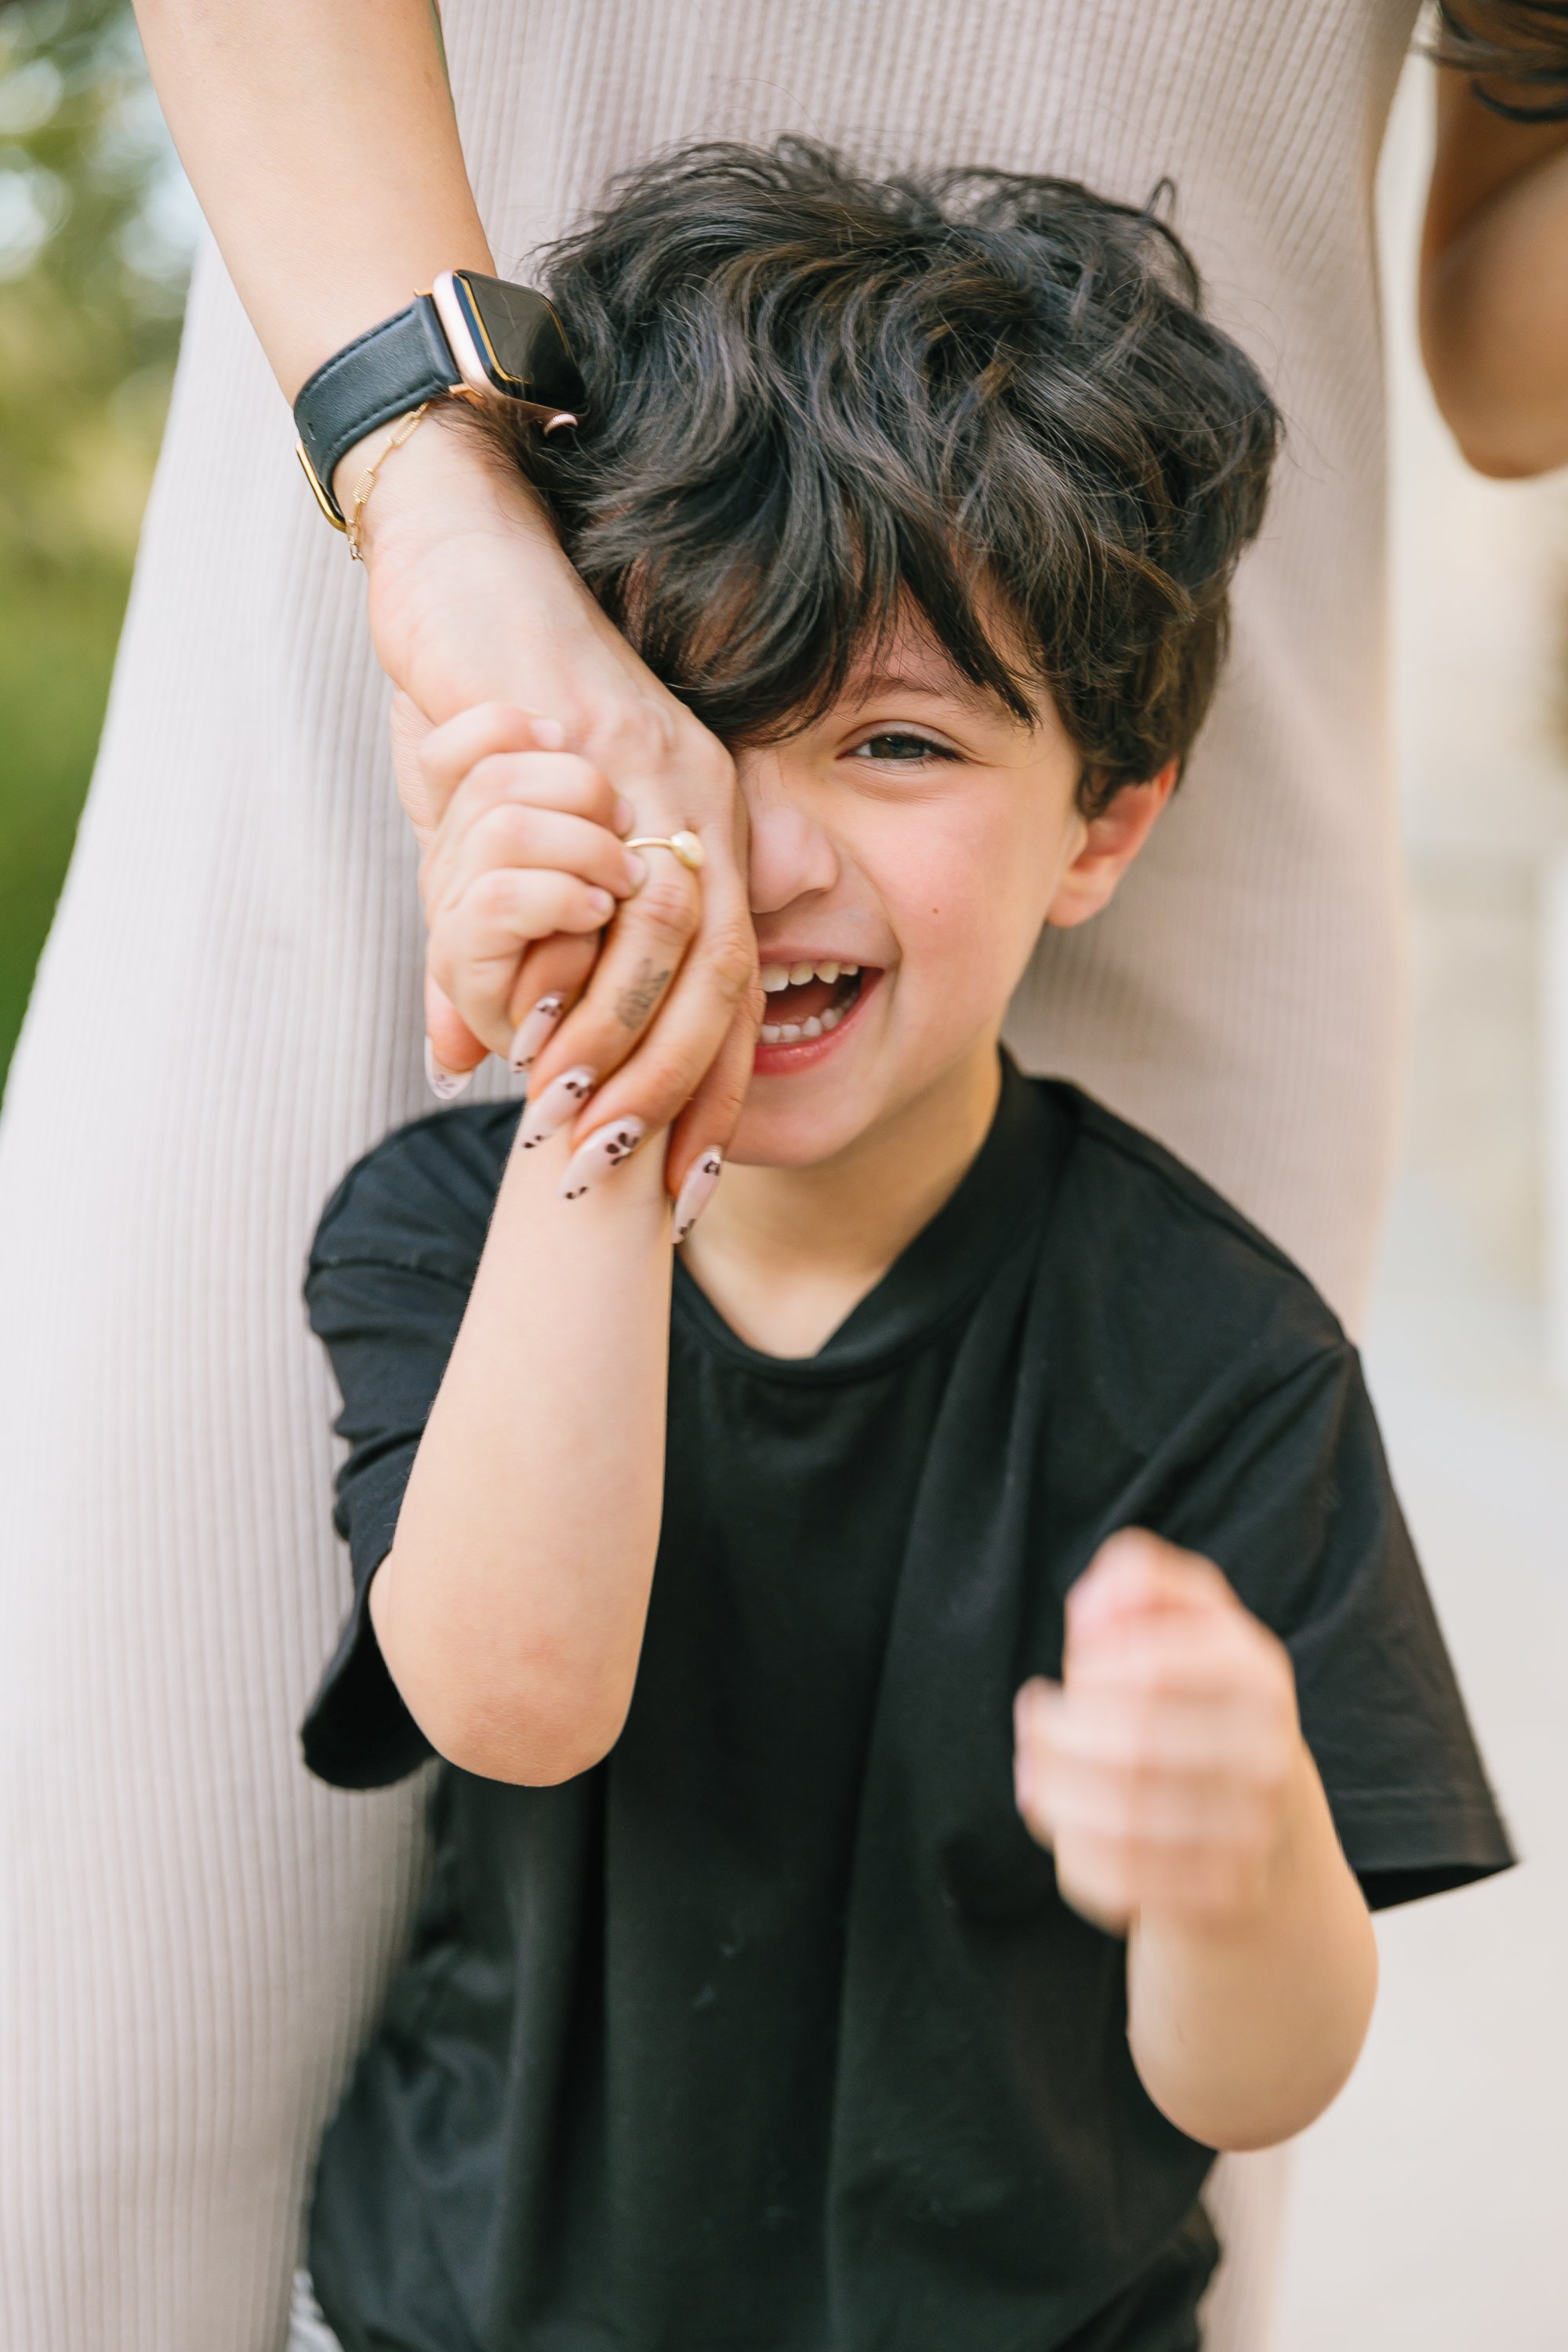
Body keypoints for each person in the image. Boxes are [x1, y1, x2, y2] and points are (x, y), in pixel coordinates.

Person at [0, 5, 1563, 2347]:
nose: (759, 838)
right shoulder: (445, 1223)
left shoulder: (1200, 1346)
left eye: (890, 740)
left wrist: (1235, 1869)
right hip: (431, 528)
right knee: (102, 2069)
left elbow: (1250, 2067)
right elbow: (514, 1688)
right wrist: (615, 1055)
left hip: (1129, 561)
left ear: (1107, 825)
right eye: (702, 717)